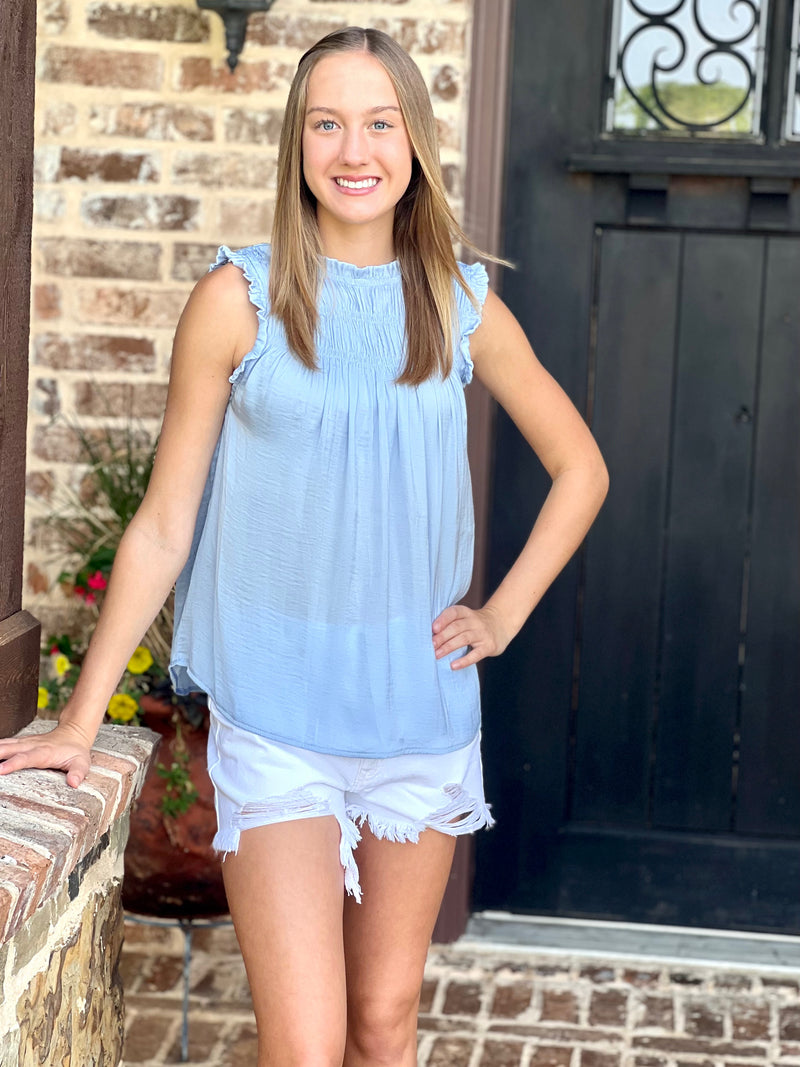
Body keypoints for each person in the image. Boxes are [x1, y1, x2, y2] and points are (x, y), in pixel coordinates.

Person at [0, 26, 608, 1067]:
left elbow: (580, 468)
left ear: (414, 142)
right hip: (277, 718)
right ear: (296, 143)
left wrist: (499, 613)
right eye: (326, 122)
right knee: (307, 1040)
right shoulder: (236, 301)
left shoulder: (461, 305)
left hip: (415, 714)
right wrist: (78, 716)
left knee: (382, 1024)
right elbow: (161, 523)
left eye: (379, 122)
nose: (353, 148)